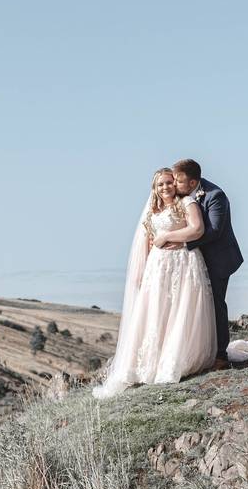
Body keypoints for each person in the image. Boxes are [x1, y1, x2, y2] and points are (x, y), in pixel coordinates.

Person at [93, 168, 217, 398]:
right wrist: (143, 271)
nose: (166, 187)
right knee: (157, 311)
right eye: (160, 184)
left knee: (181, 308)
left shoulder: (187, 202)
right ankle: (150, 361)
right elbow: (149, 241)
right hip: (158, 266)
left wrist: (168, 236)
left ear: (176, 184)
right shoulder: (153, 211)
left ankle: (174, 360)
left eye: (169, 183)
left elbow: (197, 230)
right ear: (155, 188)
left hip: (183, 261)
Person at [171, 159, 243, 368]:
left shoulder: (215, 196)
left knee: (215, 305)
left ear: (193, 183)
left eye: (179, 181)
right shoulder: (181, 196)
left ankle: (220, 356)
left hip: (219, 259)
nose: (175, 184)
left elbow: (214, 230)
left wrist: (182, 242)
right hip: (194, 261)